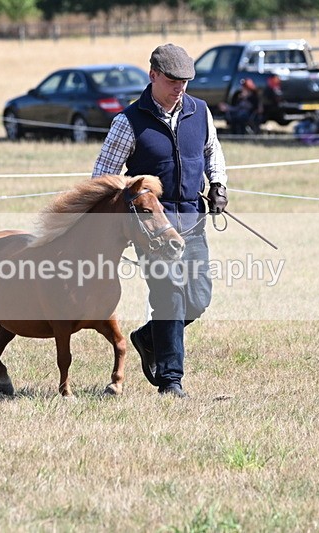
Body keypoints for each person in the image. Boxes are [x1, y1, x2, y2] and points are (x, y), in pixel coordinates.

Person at [91, 43, 229, 398]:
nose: (180, 87)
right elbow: (102, 178)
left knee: (198, 300)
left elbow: (213, 151)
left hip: (192, 222)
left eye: (185, 81)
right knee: (169, 300)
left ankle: (147, 337)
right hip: (151, 230)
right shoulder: (128, 122)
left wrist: (218, 185)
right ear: (153, 75)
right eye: (172, 80)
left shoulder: (200, 112)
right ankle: (171, 381)